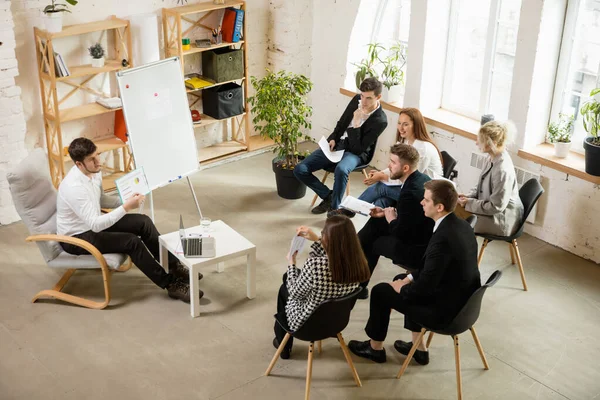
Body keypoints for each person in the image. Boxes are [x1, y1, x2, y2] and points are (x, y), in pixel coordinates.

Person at [348, 180, 481, 364]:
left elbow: (424, 288)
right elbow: (433, 269)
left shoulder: (442, 238)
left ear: (440, 207)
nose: (421, 203)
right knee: (401, 278)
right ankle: (419, 348)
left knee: (380, 291)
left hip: (444, 313)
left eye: (426, 200)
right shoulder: (461, 225)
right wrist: (407, 279)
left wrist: (401, 288)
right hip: (463, 303)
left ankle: (374, 348)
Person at [56, 138, 201, 303]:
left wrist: (125, 200)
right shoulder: (74, 188)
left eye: (97, 155)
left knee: (143, 222)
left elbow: (100, 199)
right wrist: (126, 207)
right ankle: (171, 284)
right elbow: (95, 226)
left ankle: (174, 266)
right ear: (79, 164)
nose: (98, 162)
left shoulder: (94, 171)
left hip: (94, 221)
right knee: (131, 242)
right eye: (92, 160)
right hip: (77, 237)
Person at [272, 216, 371, 359]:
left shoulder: (315, 265)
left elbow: (294, 293)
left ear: (330, 239)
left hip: (307, 324)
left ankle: (284, 345)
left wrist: (291, 263)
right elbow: (333, 259)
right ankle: (283, 342)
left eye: (323, 233)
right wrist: (318, 239)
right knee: (290, 279)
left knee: (285, 287)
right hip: (336, 320)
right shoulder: (358, 262)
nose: (322, 235)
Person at [294, 78, 388, 214]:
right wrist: (333, 138)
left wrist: (356, 124)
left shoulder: (380, 120)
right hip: (339, 145)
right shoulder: (357, 100)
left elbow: (358, 149)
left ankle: (334, 209)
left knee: (342, 169)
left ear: (378, 97)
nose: (364, 101)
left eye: (368, 98)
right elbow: (342, 122)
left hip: (356, 153)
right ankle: (328, 196)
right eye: (362, 96)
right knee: (300, 169)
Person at [357, 143, 433, 299]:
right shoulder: (421, 178)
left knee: (373, 242)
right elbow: (412, 215)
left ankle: (359, 284)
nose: (388, 166)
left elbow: (401, 233)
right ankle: (358, 281)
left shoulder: (409, 193)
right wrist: (387, 213)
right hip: (418, 232)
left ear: (405, 168)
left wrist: (391, 219)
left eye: (393, 162)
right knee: (375, 223)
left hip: (415, 248)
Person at [335, 108, 443, 218]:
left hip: (423, 195)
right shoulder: (405, 141)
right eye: (399, 123)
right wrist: (381, 173)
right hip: (407, 188)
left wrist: (381, 177)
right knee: (382, 202)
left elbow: (409, 178)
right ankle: (369, 229)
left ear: (416, 125)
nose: (400, 128)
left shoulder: (422, 148)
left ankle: (349, 210)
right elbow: (396, 167)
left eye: (405, 124)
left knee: (381, 188)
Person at [456, 120, 524, 236]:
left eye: (480, 140)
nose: (477, 143)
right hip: (491, 212)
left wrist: (469, 203)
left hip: (501, 221)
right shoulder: (492, 157)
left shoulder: (502, 170)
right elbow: (481, 185)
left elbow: (496, 206)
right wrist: (469, 196)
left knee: (449, 214)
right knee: (449, 207)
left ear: (492, 143)